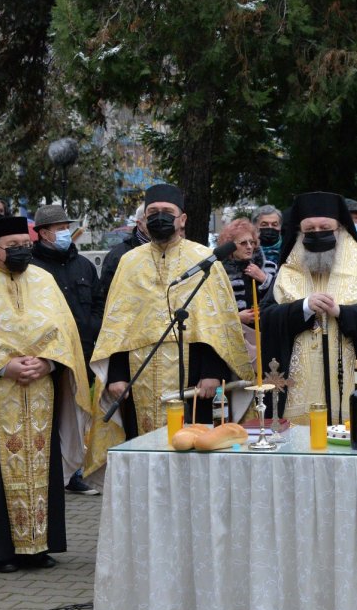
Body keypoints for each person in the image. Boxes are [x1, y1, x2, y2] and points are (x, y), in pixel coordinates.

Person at [0, 214, 93, 573]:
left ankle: (38, 546)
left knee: (43, 465)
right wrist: (2, 367)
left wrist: (50, 364)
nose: (22, 252)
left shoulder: (44, 280)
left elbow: (65, 333)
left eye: (25, 245)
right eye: (13, 247)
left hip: (41, 390)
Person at [86, 184, 252, 469]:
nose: (159, 217)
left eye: (167, 212)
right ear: (144, 219)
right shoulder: (129, 262)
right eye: (153, 212)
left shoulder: (203, 259)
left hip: (195, 377)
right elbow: (116, 327)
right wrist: (116, 375)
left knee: (193, 452)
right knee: (144, 451)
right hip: (139, 375)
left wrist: (213, 373)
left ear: (183, 219)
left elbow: (218, 324)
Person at [260, 191, 357, 426]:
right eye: (309, 230)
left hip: (350, 380)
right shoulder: (287, 271)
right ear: (299, 232)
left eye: (325, 228)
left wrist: (343, 312)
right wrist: (303, 307)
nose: (317, 233)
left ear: (340, 229)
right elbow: (267, 317)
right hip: (297, 386)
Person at [29, 204, 102, 496]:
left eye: (65, 227)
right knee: (51, 414)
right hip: (48, 358)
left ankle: (74, 471)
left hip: (82, 352)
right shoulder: (33, 267)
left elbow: (98, 301)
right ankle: (48, 470)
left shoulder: (82, 265)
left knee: (78, 414)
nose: (64, 233)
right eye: (58, 228)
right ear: (43, 232)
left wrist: (92, 327)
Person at [93, 204, 148, 322]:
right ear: (139, 224)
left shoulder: (167, 250)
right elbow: (106, 294)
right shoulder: (119, 255)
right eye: (150, 218)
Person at [216, 217, 273, 325]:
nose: (249, 247)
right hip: (236, 335)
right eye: (243, 243)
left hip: (266, 331)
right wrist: (237, 318)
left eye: (252, 242)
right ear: (230, 246)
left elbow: (282, 299)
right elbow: (213, 312)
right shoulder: (220, 273)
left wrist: (264, 278)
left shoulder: (268, 267)